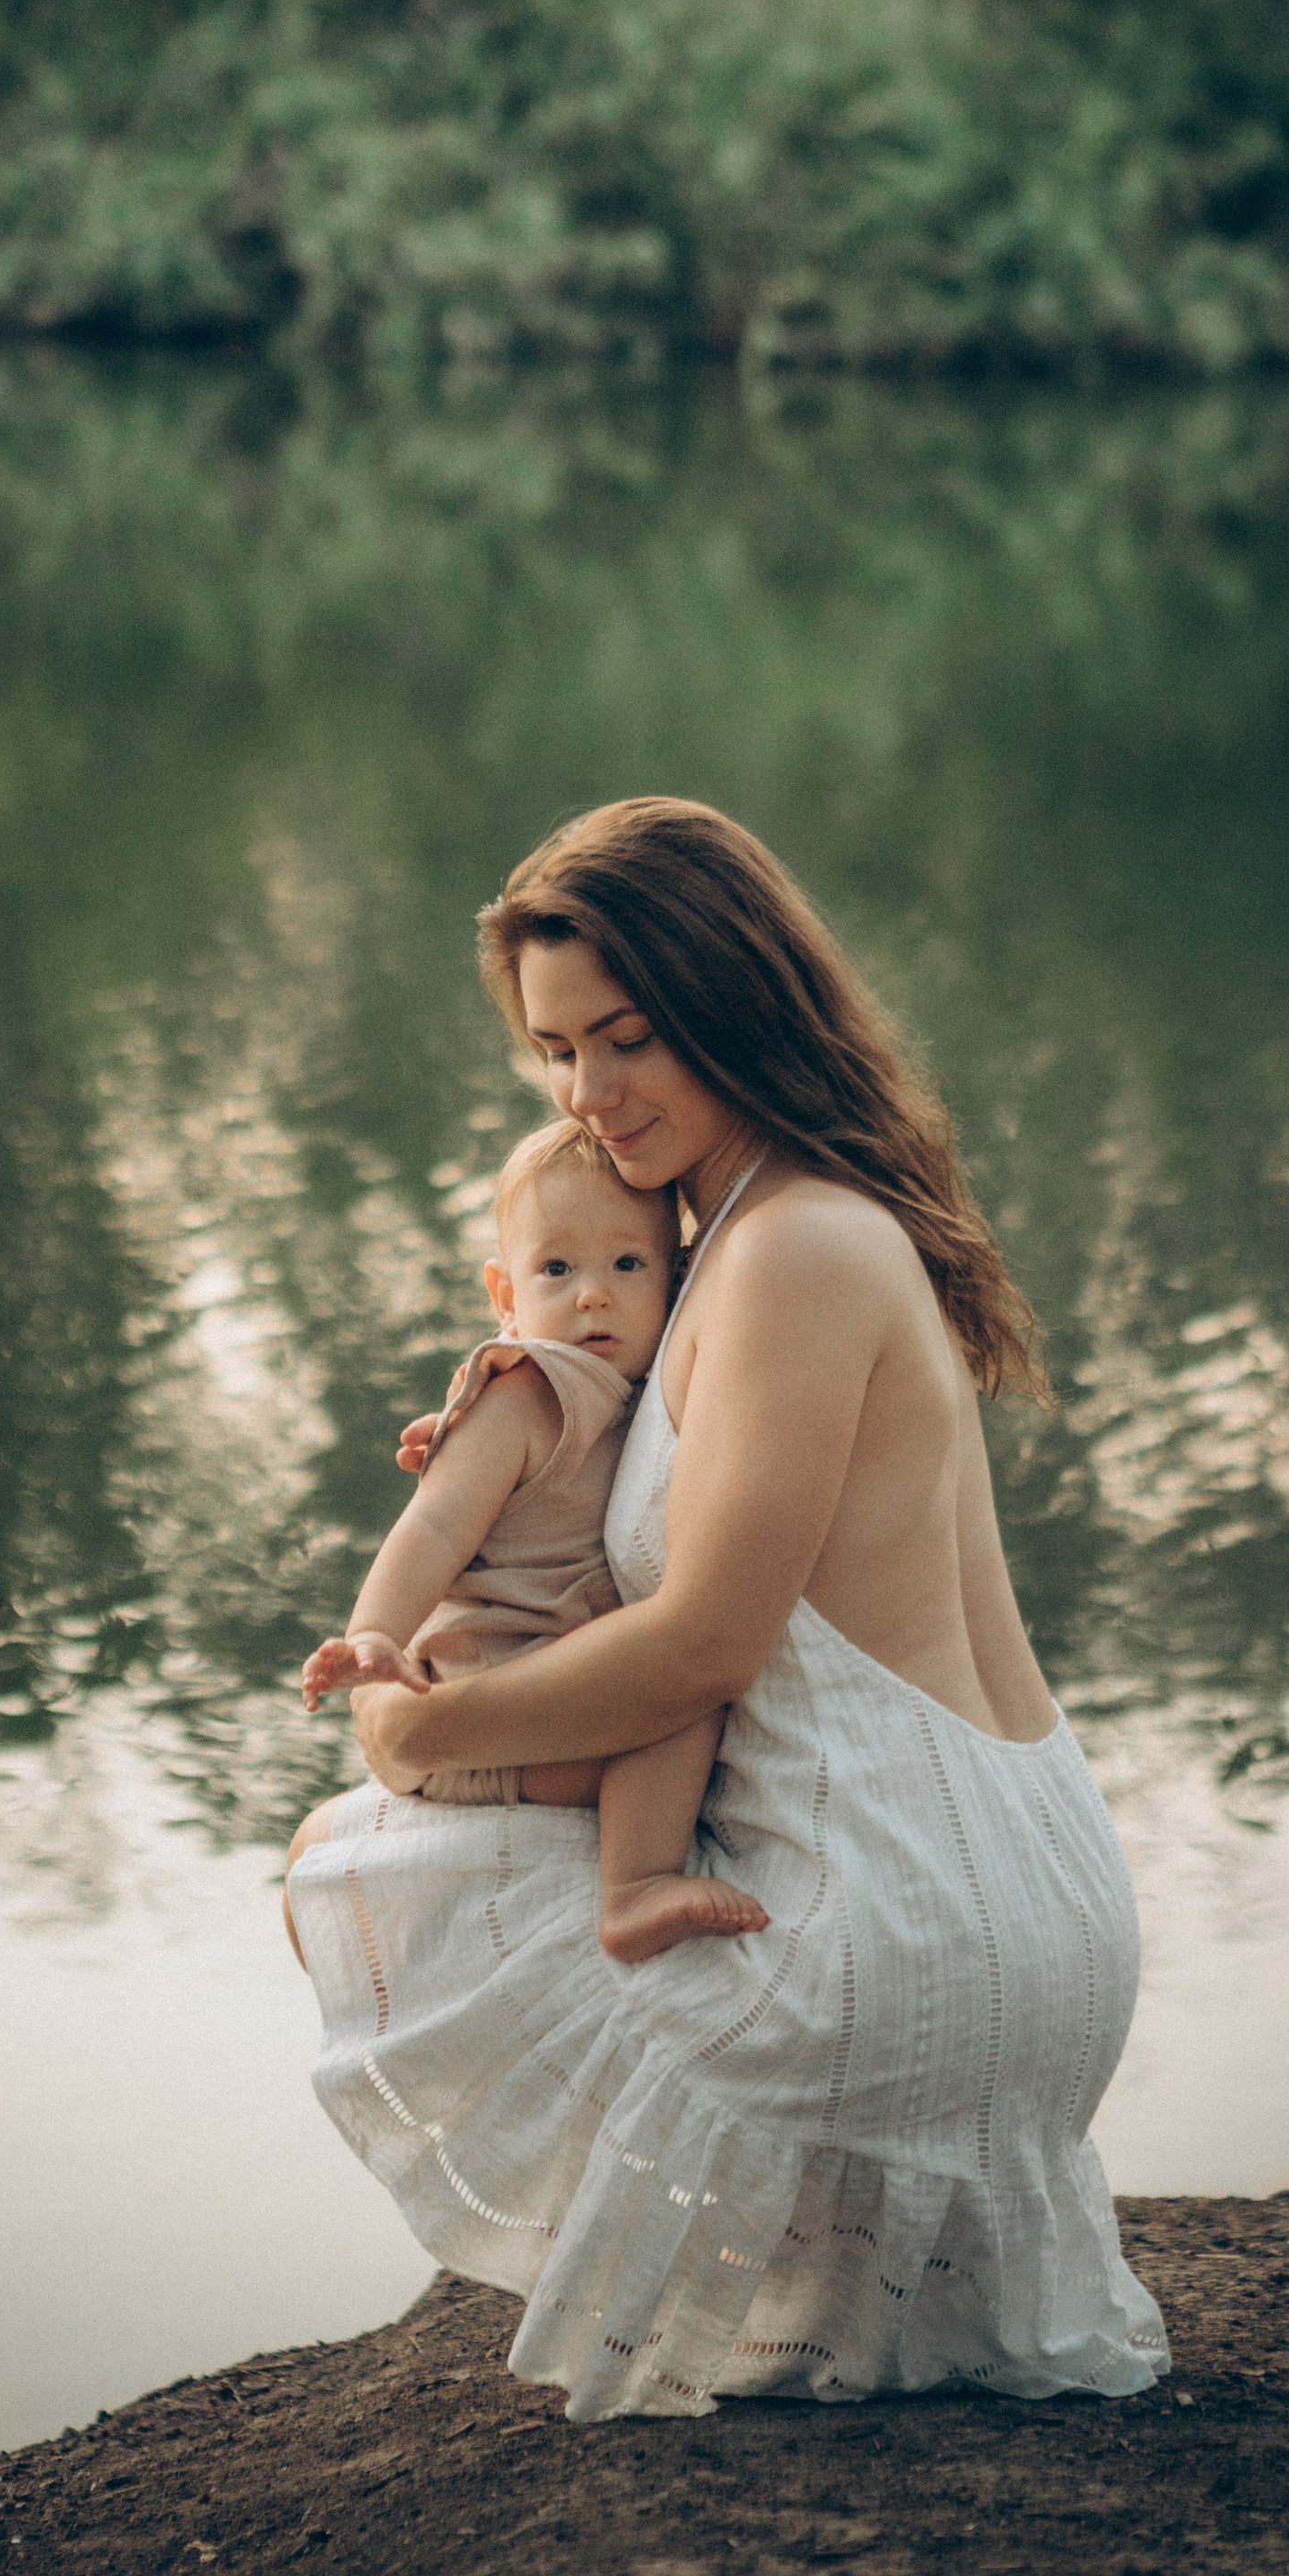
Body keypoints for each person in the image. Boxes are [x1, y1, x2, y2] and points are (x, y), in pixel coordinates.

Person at [286, 797, 1168, 2424]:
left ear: (736, 999)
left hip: (916, 1921)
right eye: (555, 1054)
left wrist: (420, 1727)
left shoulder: (793, 1254)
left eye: (626, 1038)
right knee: (447, 1828)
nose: (589, 1096)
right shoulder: (748, 1231)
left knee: (379, 1852)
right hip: (983, 1888)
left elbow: (703, 1646)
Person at [299, 1116, 771, 1964]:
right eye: (557, 1269)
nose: (593, 1293)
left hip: (524, 1704)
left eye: (627, 1265)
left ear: (676, 1277)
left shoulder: (636, 1389)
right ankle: (634, 1891)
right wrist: (374, 1635)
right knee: (674, 1708)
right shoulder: (527, 1394)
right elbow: (433, 1525)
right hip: (485, 1705)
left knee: (671, 1699)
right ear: (507, 1295)